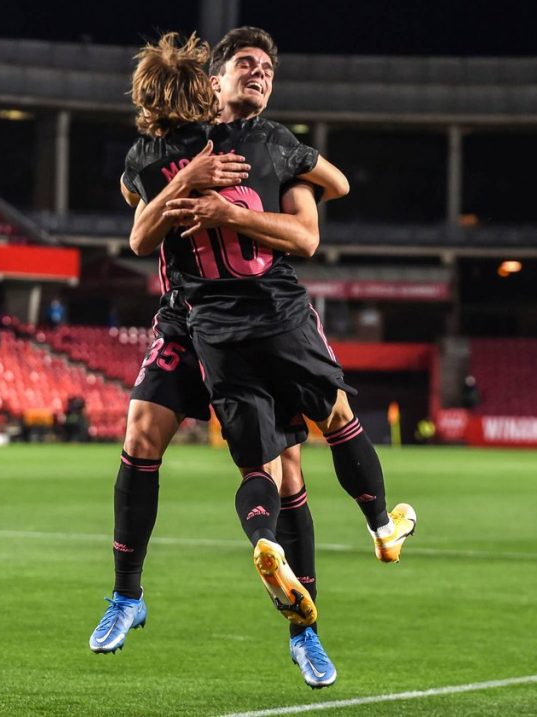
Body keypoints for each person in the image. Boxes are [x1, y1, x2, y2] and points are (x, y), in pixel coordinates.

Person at [96, 29, 416, 685]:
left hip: (260, 309)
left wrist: (292, 179)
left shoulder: (273, 144)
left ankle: (306, 633)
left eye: (268, 68)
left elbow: (327, 196)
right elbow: (140, 226)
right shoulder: (158, 151)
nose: (260, 74)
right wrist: (190, 176)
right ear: (210, 80)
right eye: (246, 64)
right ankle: (127, 594)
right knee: (141, 428)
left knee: (288, 467)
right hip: (189, 316)